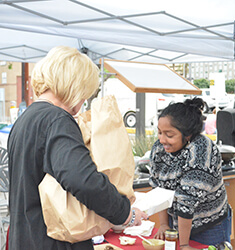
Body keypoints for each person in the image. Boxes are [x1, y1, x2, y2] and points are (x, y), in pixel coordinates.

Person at [7, 46, 147, 250]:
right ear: (74, 86)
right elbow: (84, 180)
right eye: (84, 94)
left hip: (26, 236)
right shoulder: (57, 120)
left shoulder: (25, 119)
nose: (82, 103)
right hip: (55, 241)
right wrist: (125, 212)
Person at [149, 97, 231, 249]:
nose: (162, 139)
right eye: (159, 132)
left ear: (187, 135)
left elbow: (187, 202)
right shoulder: (159, 150)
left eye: (169, 135)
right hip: (179, 223)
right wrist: (164, 225)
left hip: (210, 225)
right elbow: (159, 191)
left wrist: (185, 244)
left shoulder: (201, 150)